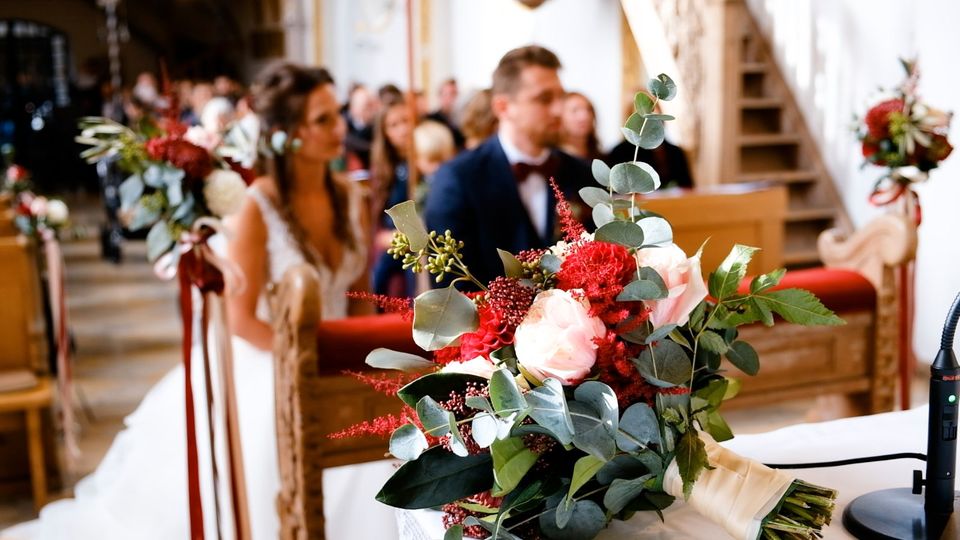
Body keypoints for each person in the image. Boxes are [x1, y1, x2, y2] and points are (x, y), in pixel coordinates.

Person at [1, 63, 397, 540]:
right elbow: (240, 319)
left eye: (337, 115)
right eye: (323, 120)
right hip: (267, 358)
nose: (340, 129)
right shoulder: (258, 207)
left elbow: (355, 301)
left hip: (334, 356)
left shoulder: (348, 198)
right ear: (284, 134)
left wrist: (363, 362)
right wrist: (305, 361)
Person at [425, 45, 593, 288]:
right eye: (544, 99)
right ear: (503, 107)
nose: (559, 110)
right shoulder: (458, 180)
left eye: (561, 98)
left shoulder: (581, 173)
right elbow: (453, 291)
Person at [369, 94, 416, 298]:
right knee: (378, 279)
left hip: (420, 239)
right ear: (385, 133)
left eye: (406, 121)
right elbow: (378, 214)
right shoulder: (385, 167)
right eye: (394, 125)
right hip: (393, 238)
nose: (403, 130)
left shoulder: (421, 162)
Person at [605, 98, 694, 188]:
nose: (649, 118)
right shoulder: (620, 153)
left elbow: (688, 188)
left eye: (653, 110)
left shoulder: (675, 152)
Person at [560, 91, 603, 162]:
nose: (584, 117)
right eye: (575, 110)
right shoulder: (553, 159)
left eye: (588, 110)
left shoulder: (601, 159)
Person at [426, 78, 465, 149]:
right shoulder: (431, 119)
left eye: (456, 93)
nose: (454, 98)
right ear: (440, 96)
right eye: (451, 94)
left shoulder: (462, 118)